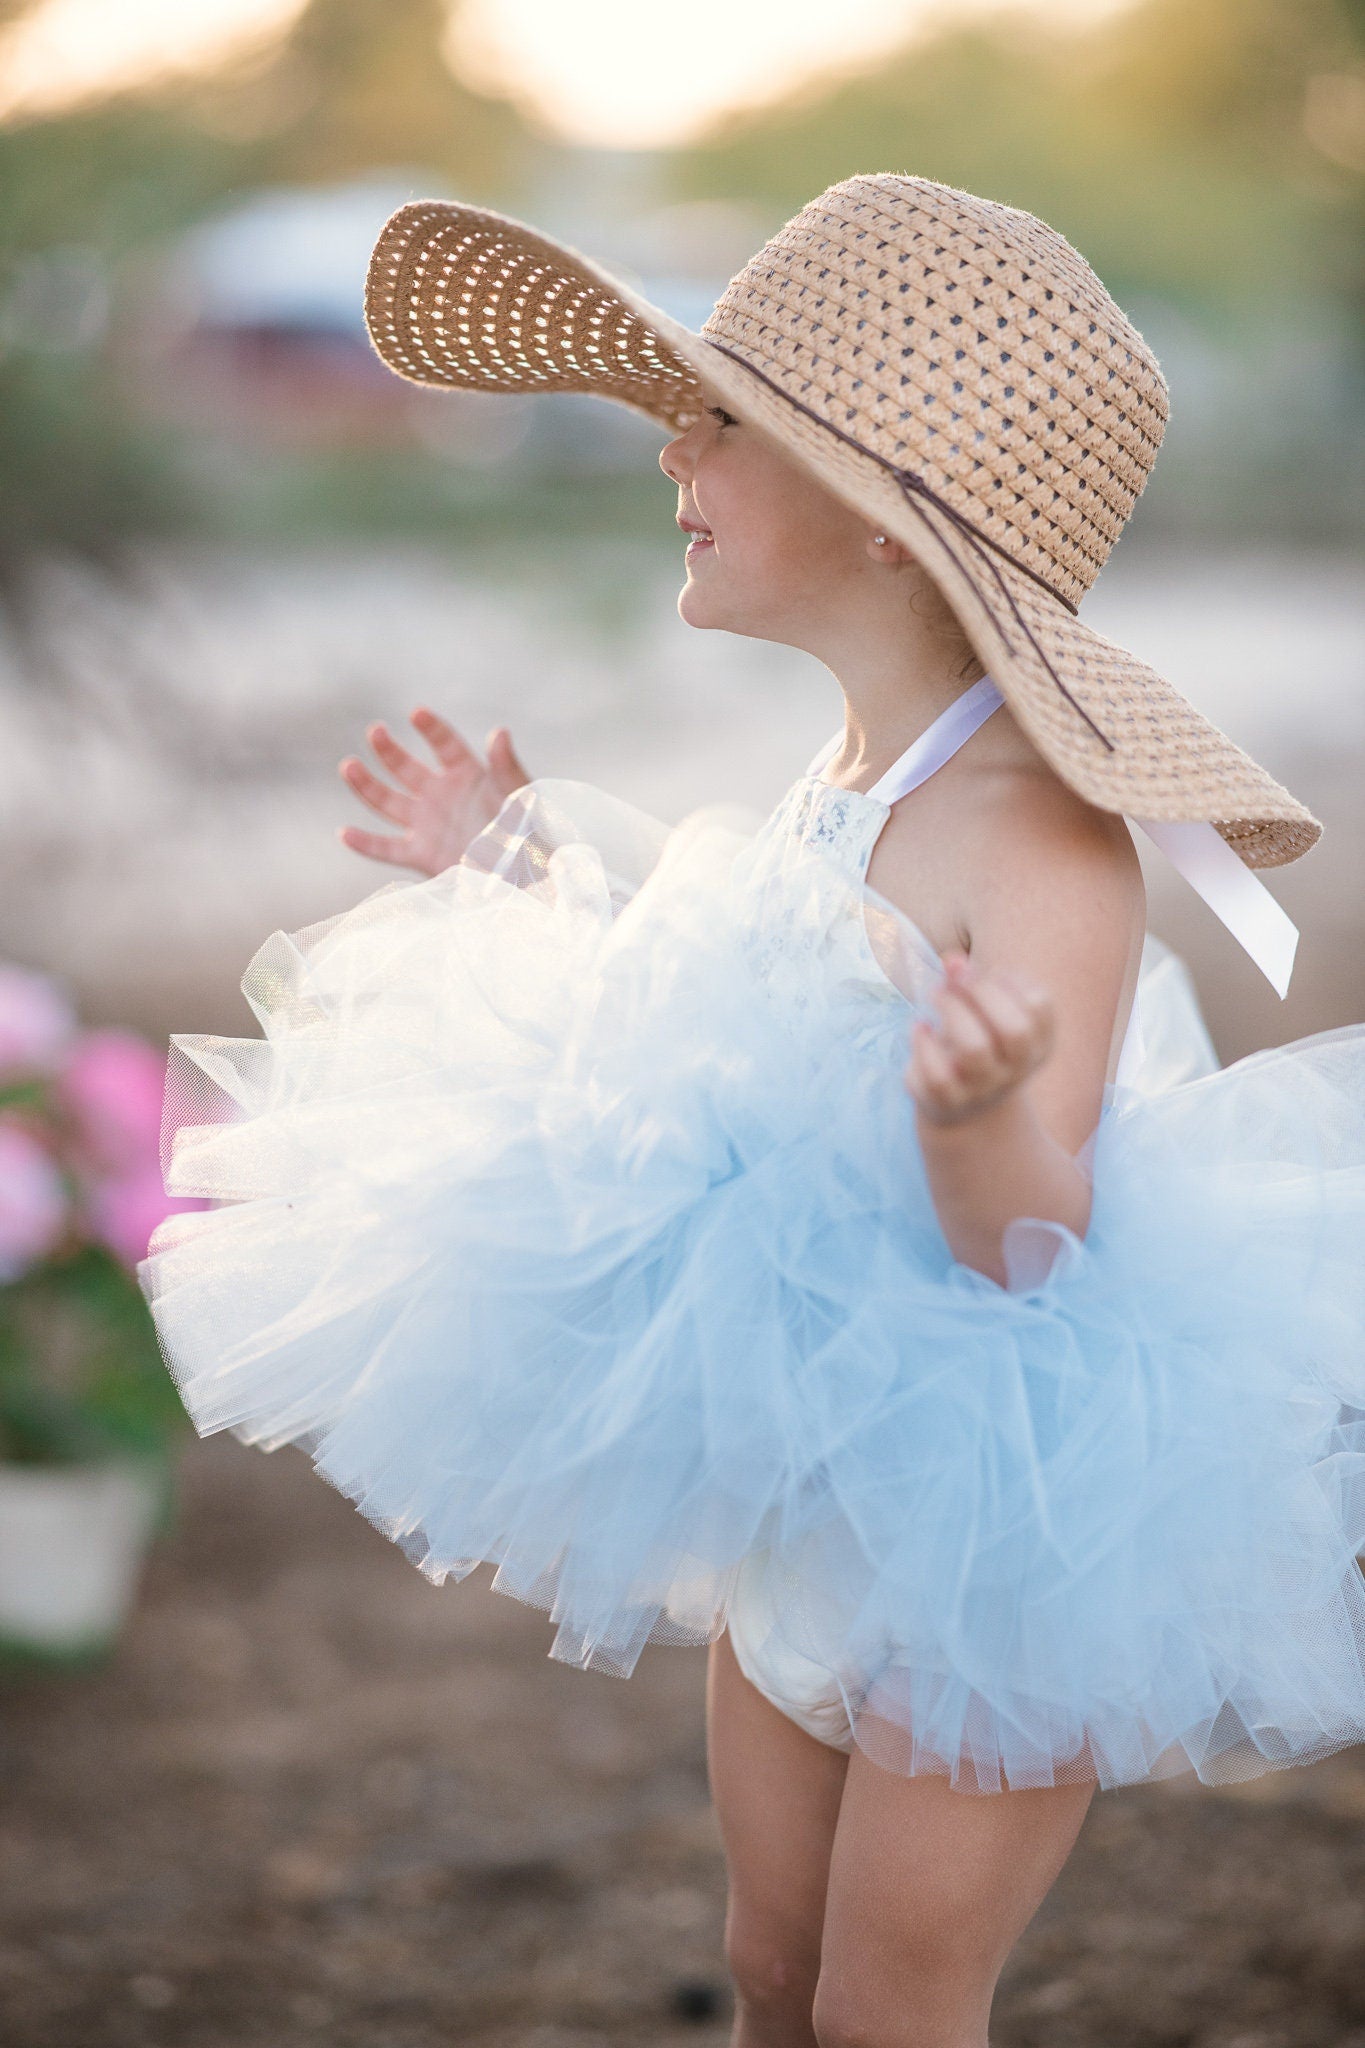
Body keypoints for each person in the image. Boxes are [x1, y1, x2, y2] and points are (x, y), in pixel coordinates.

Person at [140, 176, 1365, 2048]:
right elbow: (717, 1014)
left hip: (1003, 1524)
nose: (665, 451)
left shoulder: (1042, 838)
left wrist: (968, 1116)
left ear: (880, 519)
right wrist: (518, 860)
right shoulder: (842, 776)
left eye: (718, 419)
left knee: (889, 2002)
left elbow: (1036, 1235)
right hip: (812, 1475)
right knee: (774, 1963)